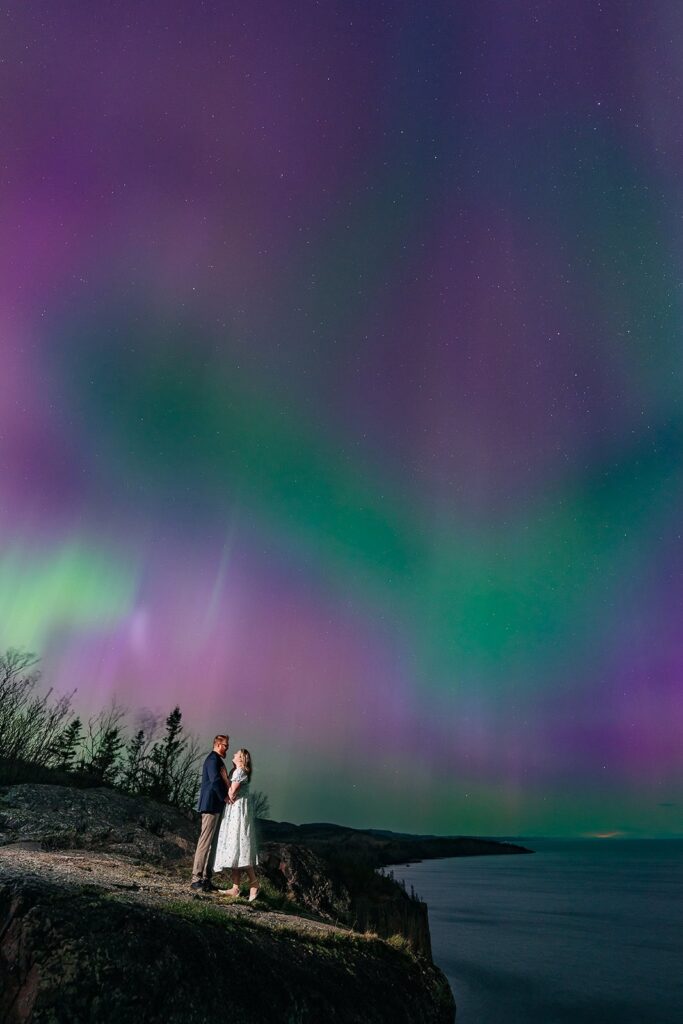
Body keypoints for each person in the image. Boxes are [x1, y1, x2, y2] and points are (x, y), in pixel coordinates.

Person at [213, 748, 259, 900]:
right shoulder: (238, 771)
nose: (233, 755)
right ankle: (235, 887)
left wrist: (225, 779)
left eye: (236, 754)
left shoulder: (240, 772)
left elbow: (232, 793)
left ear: (241, 758)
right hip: (236, 812)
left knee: (241, 846)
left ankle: (254, 884)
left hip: (238, 813)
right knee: (235, 849)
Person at [191, 734, 230, 892]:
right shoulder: (213, 760)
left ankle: (206, 879)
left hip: (215, 806)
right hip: (211, 806)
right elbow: (214, 781)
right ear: (218, 744)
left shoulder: (216, 760)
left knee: (212, 844)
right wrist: (225, 797)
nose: (227, 748)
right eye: (226, 745)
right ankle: (196, 878)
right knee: (205, 842)